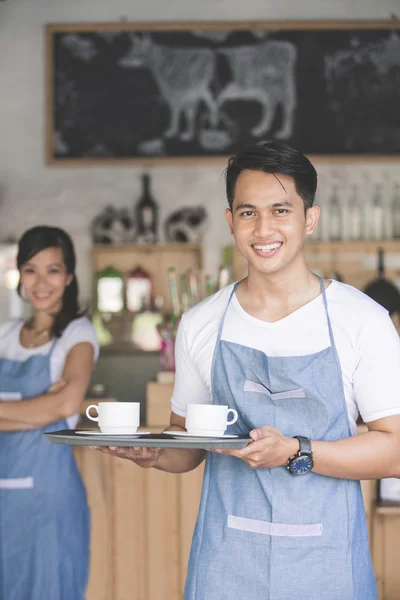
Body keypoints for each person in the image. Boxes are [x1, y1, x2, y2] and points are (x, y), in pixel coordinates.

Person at [93, 142, 400, 599]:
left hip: (327, 564)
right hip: (226, 563)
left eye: (280, 210)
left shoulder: (361, 319)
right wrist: (155, 452)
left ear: (309, 219)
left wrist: (296, 450)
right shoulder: (201, 323)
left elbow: (394, 451)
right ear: (230, 221)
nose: (263, 229)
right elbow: (188, 445)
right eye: (248, 212)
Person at [0, 226, 99, 600]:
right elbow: (49, 407)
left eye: (53, 270)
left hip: (49, 502)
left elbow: (64, 405)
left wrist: (49, 405)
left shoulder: (76, 335)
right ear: (20, 275)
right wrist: (33, 408)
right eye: (31, 269)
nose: (41, 282)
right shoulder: (4, 334)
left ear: (70, 276)